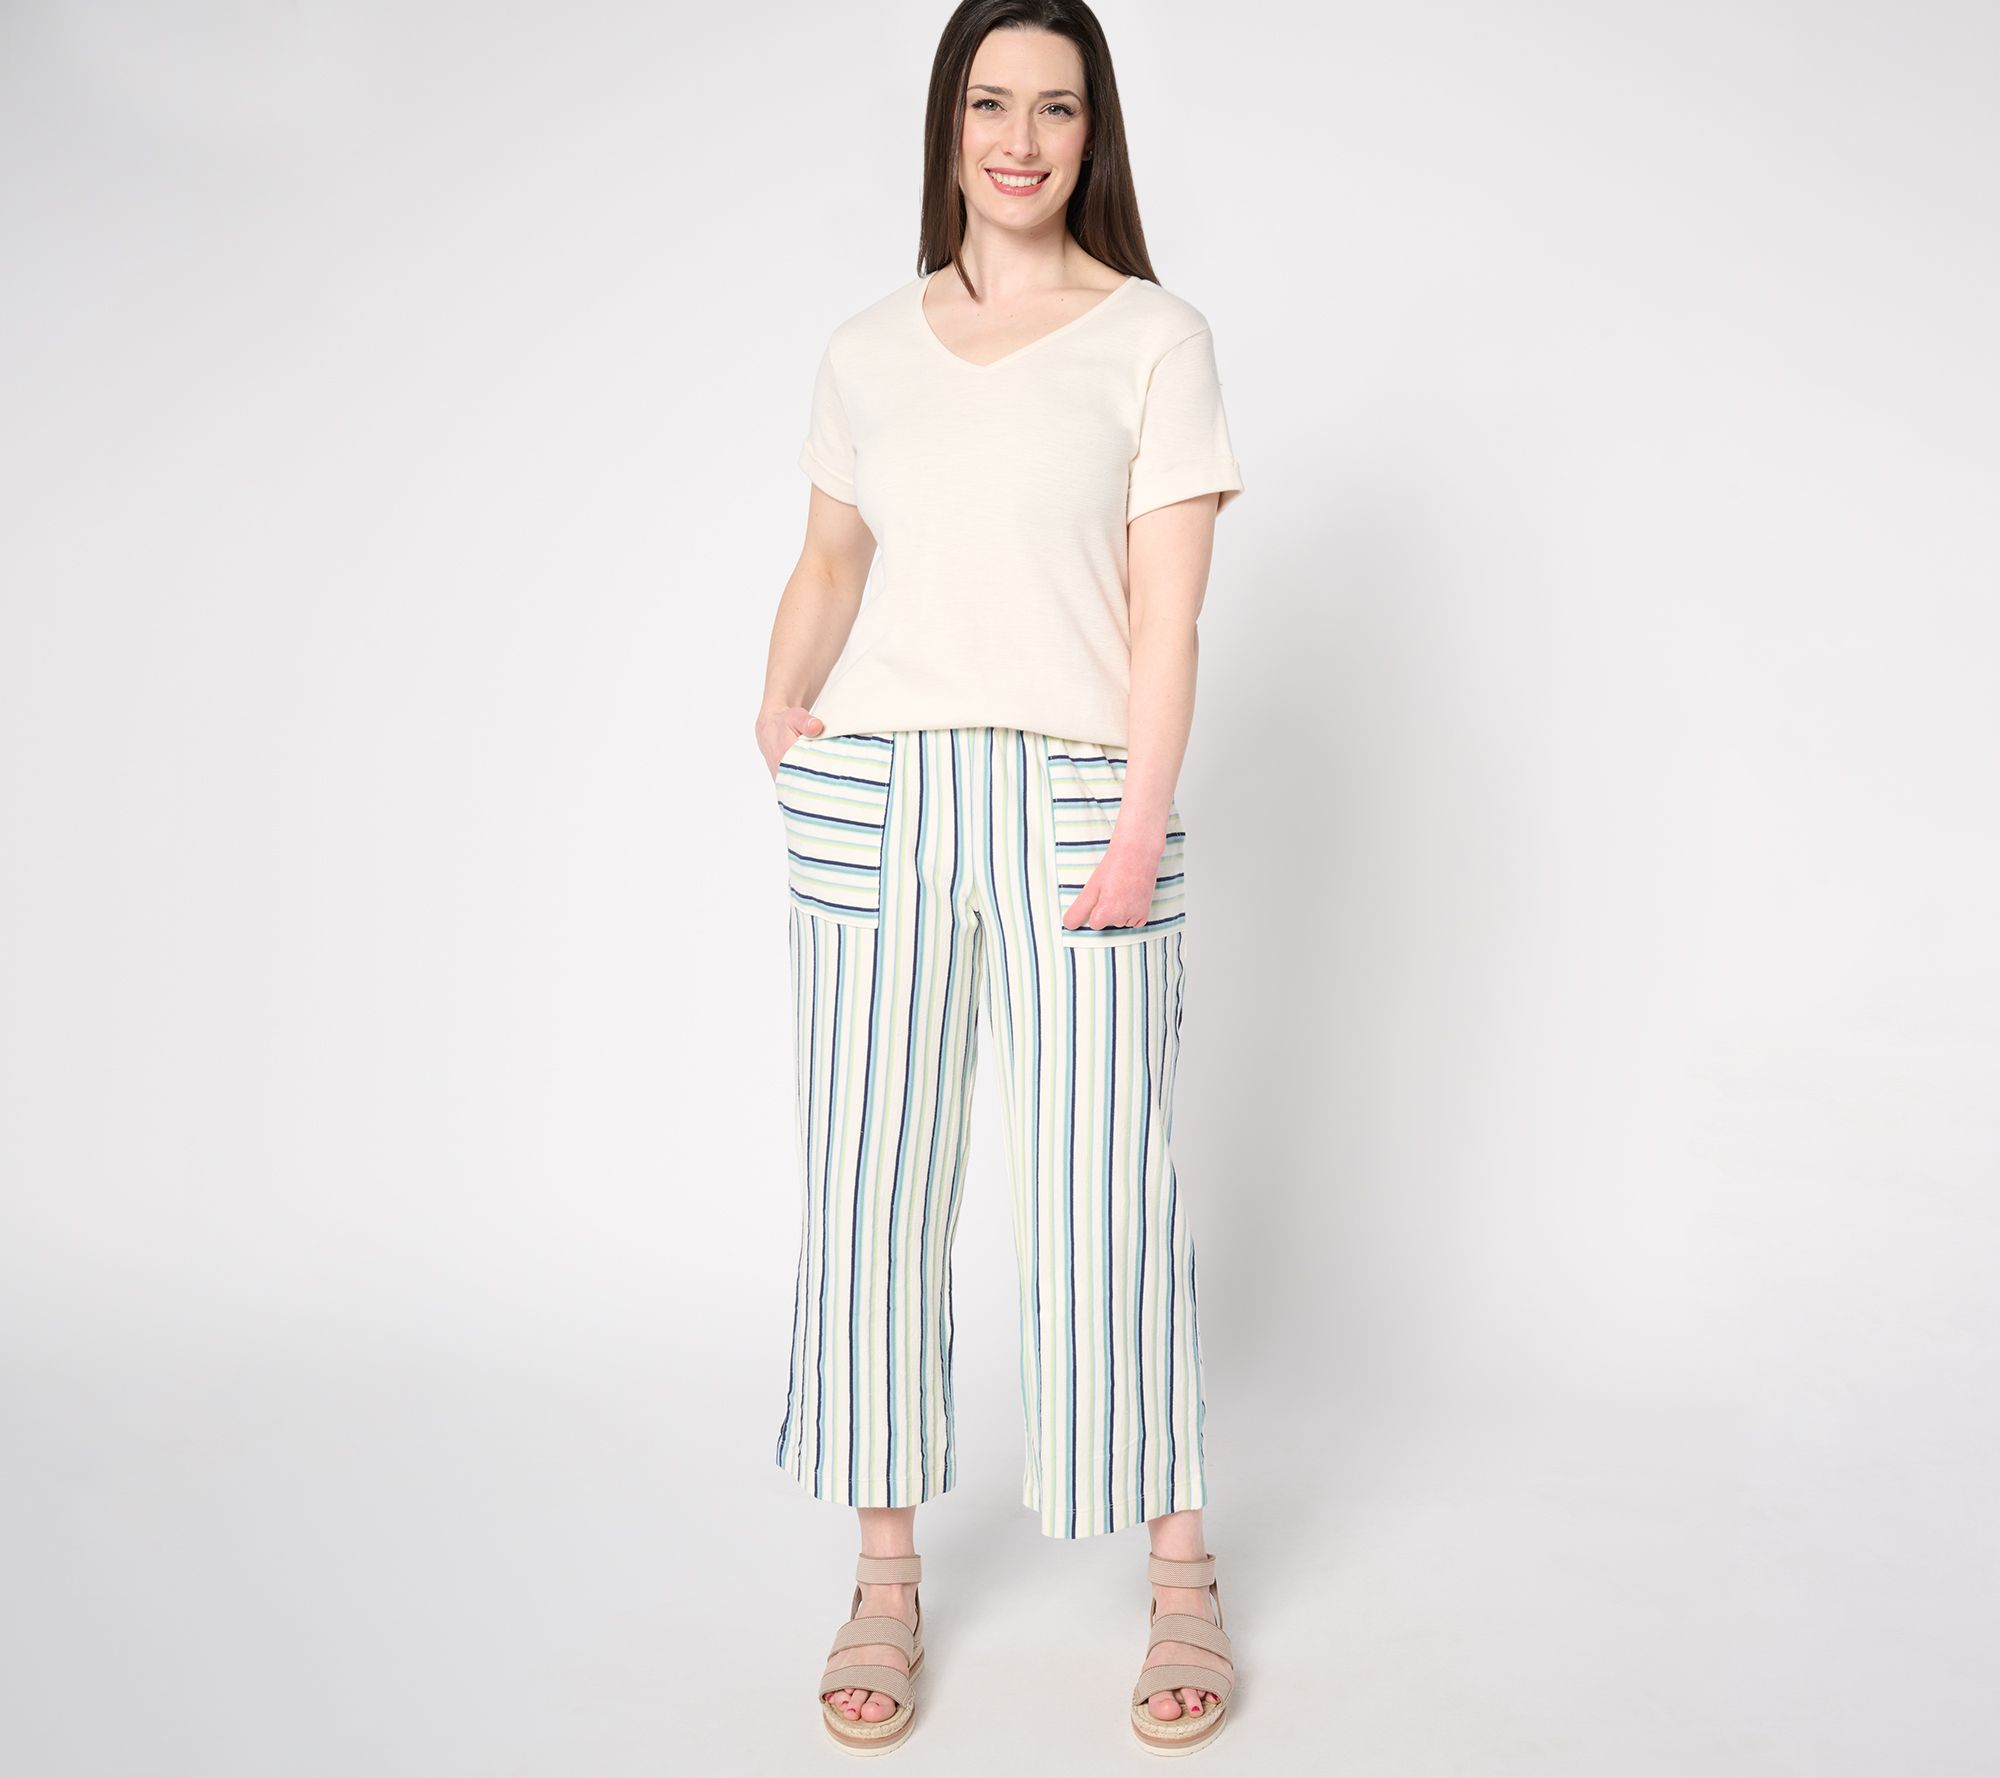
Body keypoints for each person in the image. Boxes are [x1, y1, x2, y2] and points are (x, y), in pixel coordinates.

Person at [756, 1, 1244, 1755]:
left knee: (1109, 1188)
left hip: (1078, 797)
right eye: (989, 104)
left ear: (1093, 131)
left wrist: (1139, 817)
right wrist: (778, 705)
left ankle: (1179, 1571)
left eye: (1055, 107)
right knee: (870, 1182)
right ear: (949, 125)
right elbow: (831, 556)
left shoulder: (1154, 338)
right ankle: (884, 1575)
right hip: (881, 793)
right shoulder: (866, 347)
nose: (1019, 140)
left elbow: (1168, 616)